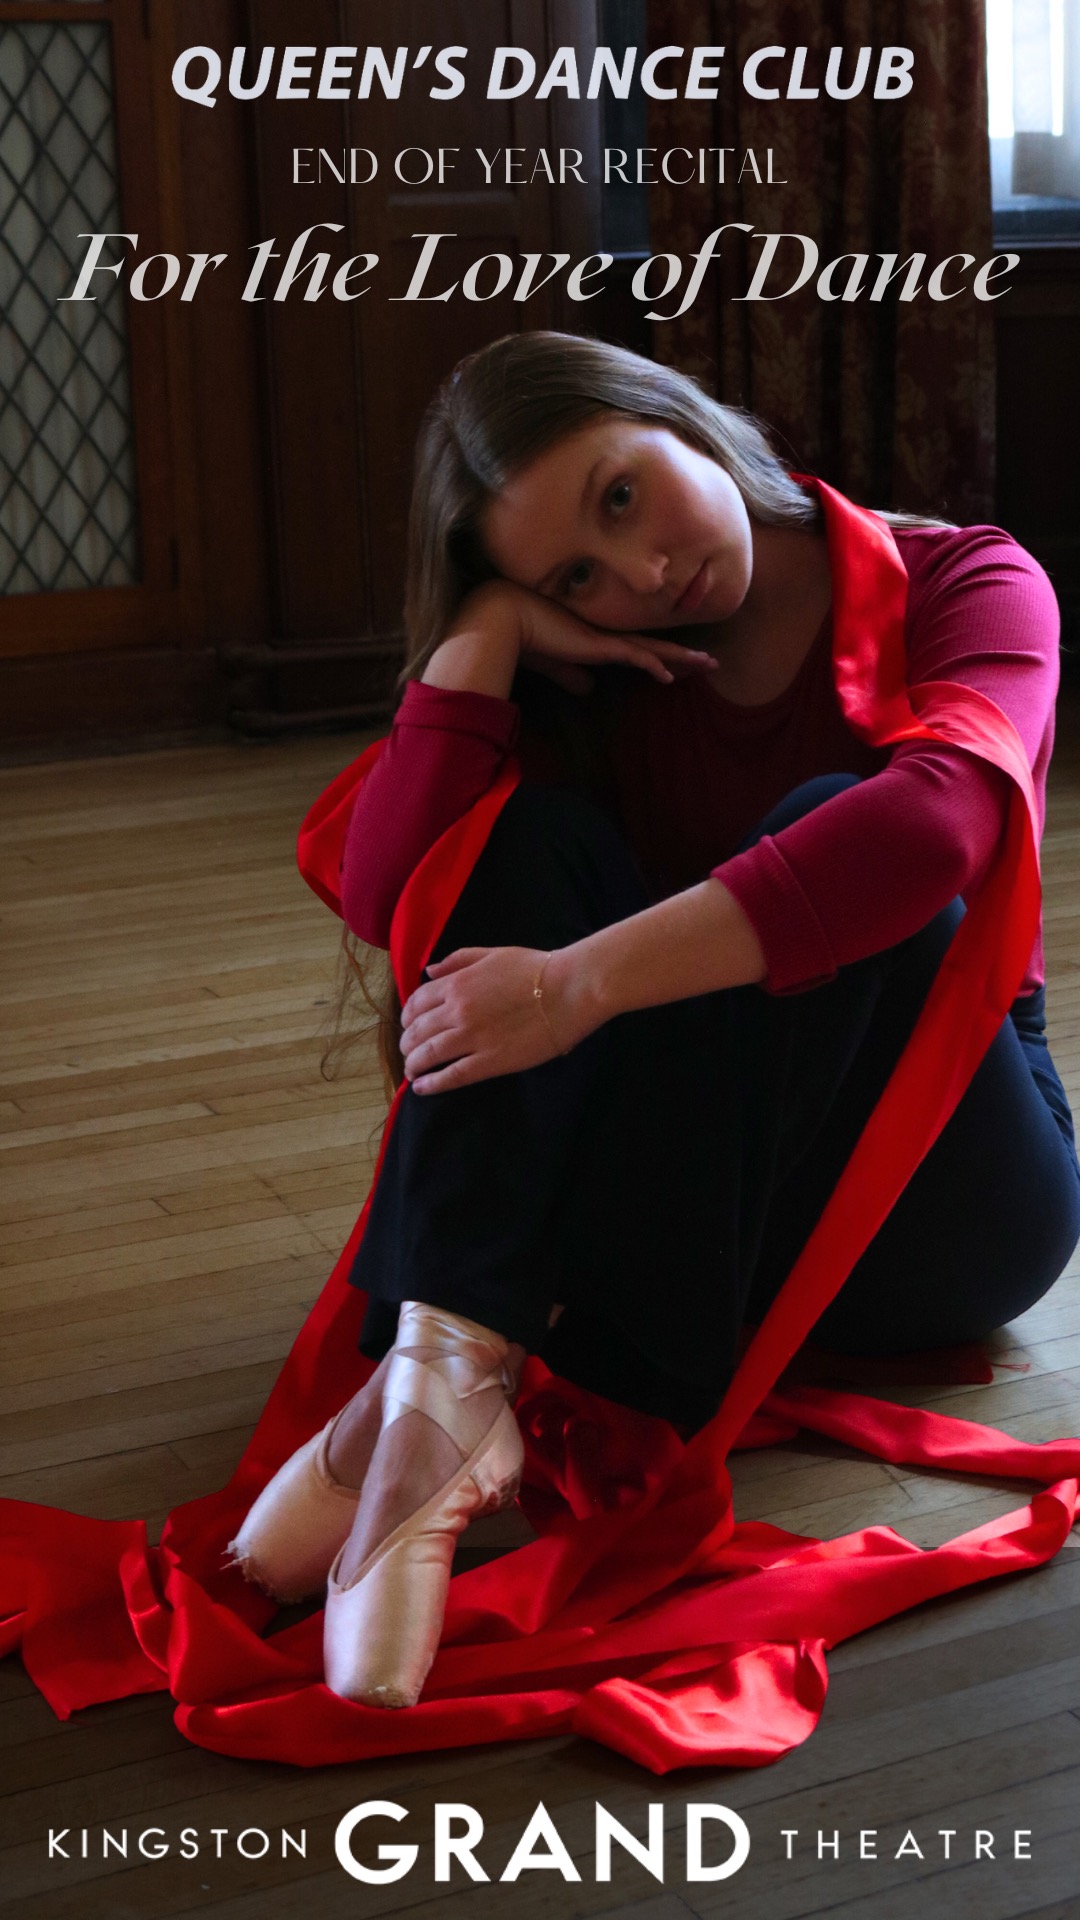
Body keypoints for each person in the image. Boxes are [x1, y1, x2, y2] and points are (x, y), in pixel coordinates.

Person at [229, 331, 1080, 1711]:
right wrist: (488, 640)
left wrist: (576, 987)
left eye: (623, 496)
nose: (637, 576)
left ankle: (479, 1374)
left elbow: (939, 832)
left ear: (679, 418)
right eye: (573, 573)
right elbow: (398, 892)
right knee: (524, 842)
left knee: (841, 830)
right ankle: (448, 1372)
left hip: (946, 1196)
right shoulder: (605, 657)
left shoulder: (967, 577)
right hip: (707, 1175)